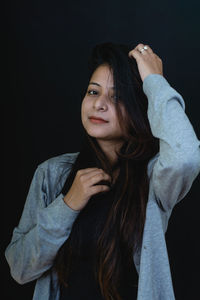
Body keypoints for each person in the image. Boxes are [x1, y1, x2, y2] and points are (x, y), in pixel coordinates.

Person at [5, 42, 200, 300]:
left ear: (139, 108)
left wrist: (154, 81)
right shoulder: (52, 174)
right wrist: (67, 205)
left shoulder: (154, 178)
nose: (99, 104)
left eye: (117, 97)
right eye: (93, 92)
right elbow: (20, 268)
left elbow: (186, 155)